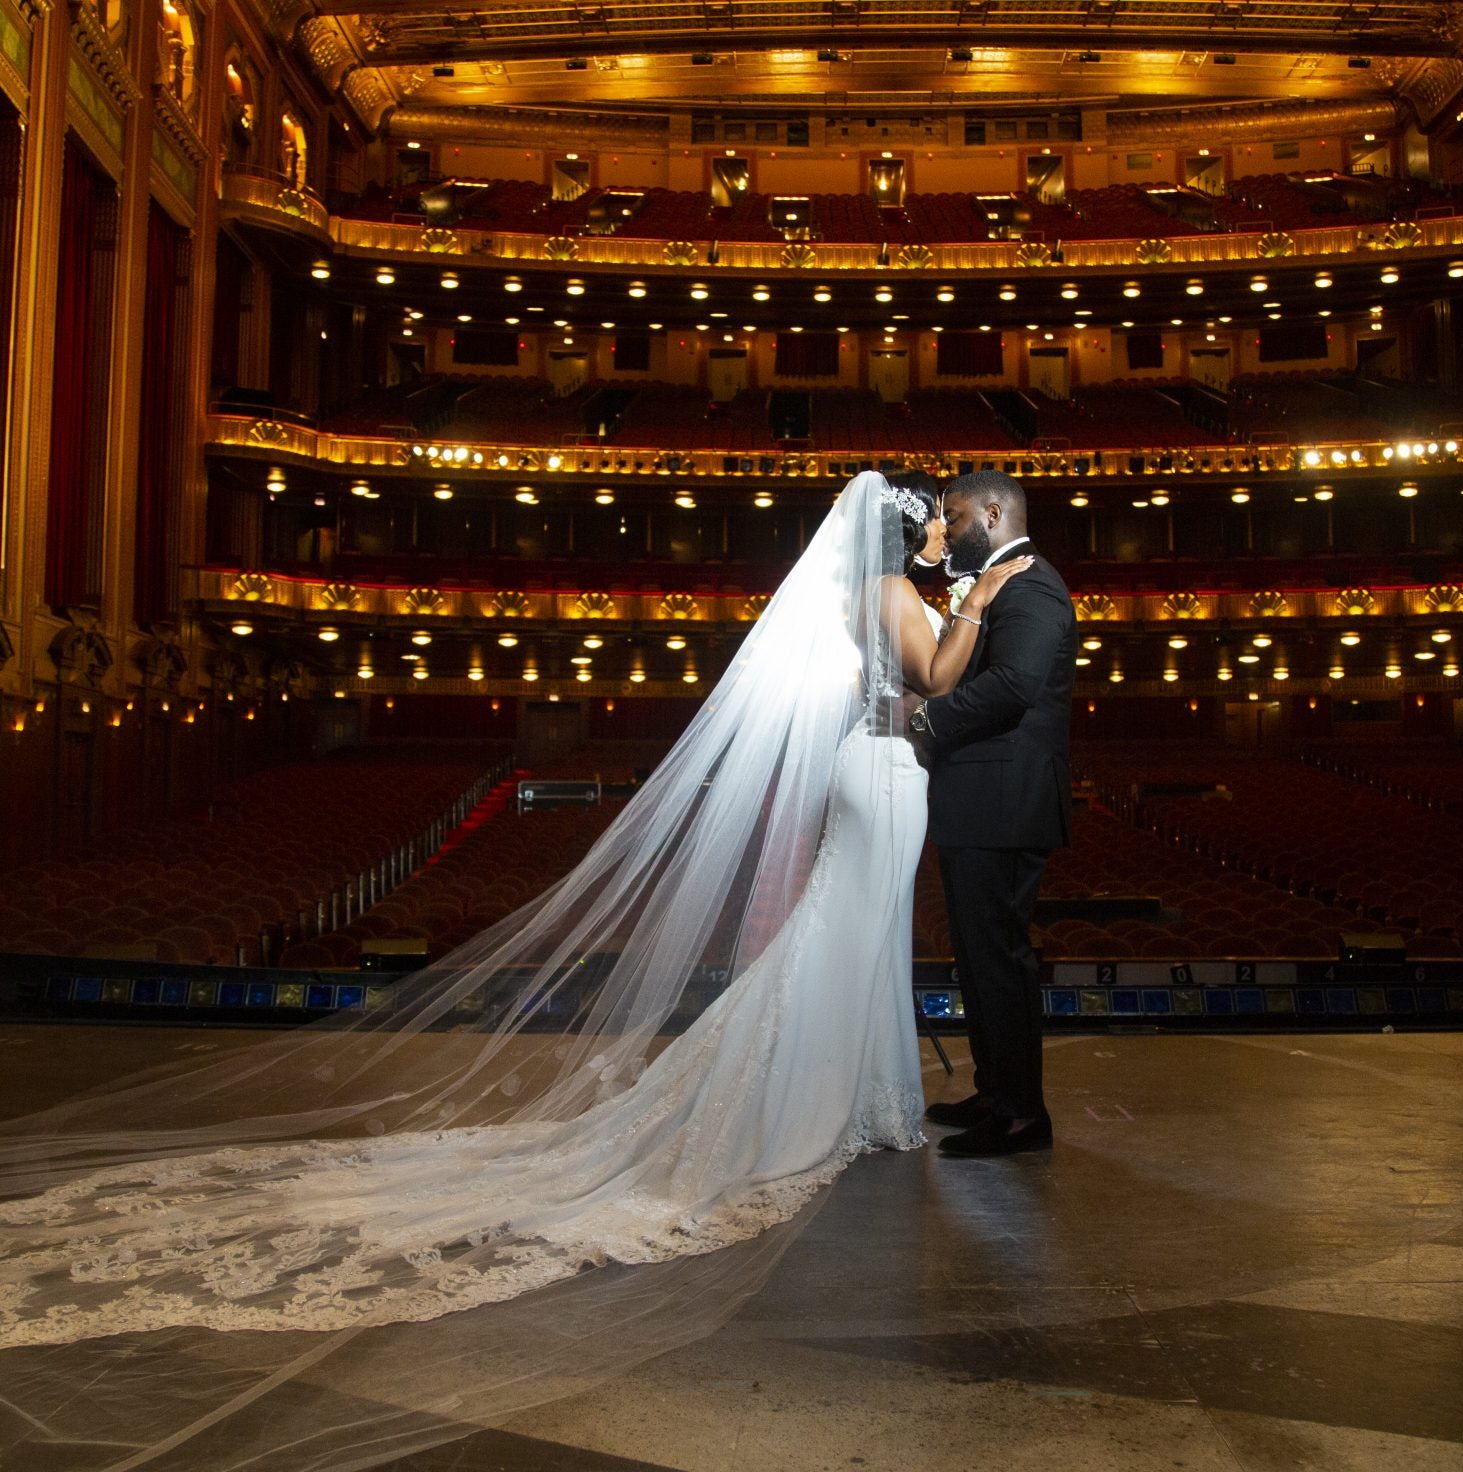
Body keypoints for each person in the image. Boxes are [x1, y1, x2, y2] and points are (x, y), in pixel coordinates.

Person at [0, 473, 1029, 1468]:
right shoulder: (893, 593)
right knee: (850, 931)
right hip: (884, 773)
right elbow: (938, 679)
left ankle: (857, 1095)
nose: (948, 537)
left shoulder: (867, 592)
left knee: (851, 933)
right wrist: (976, 604)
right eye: (938, 526)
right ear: (906, 533)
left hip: (879, 769)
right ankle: (833, 1100)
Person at [907, 470, 1078, 1158]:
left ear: (994, 512)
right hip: (984, 798)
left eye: (954, 517)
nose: (946, 532)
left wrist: (925, 718)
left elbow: (1014, 685)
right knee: (979, 961)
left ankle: (1020, 1116)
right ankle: (994, 1092)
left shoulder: (1030, 584)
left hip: (1004, 800)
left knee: (999, 961)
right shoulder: (999, 582)